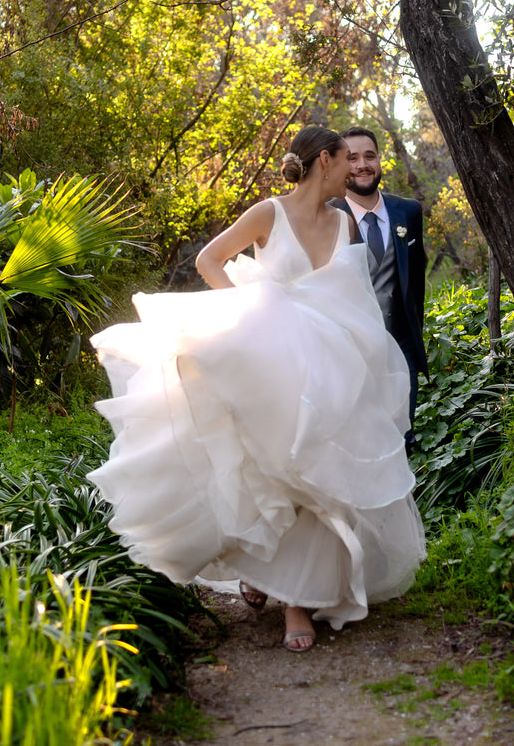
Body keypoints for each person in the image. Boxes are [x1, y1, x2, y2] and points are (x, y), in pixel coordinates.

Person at [86, 126, 425, 653]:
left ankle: (294, 594)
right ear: (325, 161)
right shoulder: (269, 213)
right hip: (273, 362)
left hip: (330, 365)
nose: (351, 169)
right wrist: (251, 311)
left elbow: (353, 294)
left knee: (318, 473)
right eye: (345, 159)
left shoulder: (343, 222)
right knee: (270, 471)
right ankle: (278, 584)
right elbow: (208, 260)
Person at [331, 127, 429, 424]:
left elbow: (416, 281)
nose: (362, 165)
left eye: (370, 156)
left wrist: (414, 338)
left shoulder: (409, 211)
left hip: (401, 349)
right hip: (348, 356)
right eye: (352, 158)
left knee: (404, 436)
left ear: (379, 160)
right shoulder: (327, 217)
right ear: (338, 165)